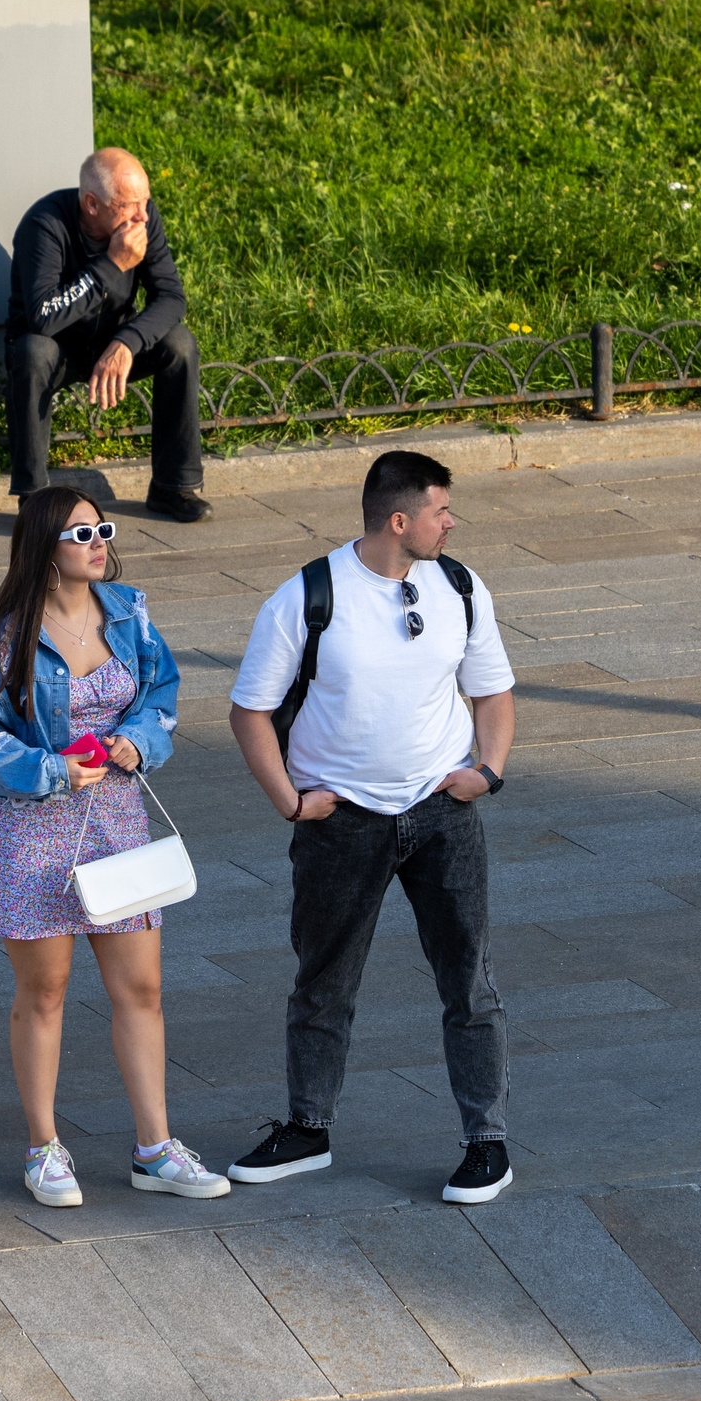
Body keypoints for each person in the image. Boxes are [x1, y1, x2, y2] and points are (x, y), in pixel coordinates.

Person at [225, 451, 521, 1204]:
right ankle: (307, 1128)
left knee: (470, 980)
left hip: (441, 813)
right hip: (342, 822)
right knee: (323, 982)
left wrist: (485, 770)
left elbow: (493, 691)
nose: (450, 521)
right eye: (440, 510)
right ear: (400, 521)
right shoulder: (308, 597)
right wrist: (291, 802)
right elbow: (248, 711)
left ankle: (487, 1141)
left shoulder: (459, 585)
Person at [0, 484, 229, 1208]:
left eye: (102, 528)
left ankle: (155, 1148)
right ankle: (44, 1148)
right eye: (81, 533)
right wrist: (47, 769)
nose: (99, 541)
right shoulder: (6, 637)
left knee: (142, 989)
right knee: (44, 992)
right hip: (32, 832)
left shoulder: (130, 613)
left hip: (116, 825)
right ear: (45, 546)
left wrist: (139, 737)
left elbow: (160, 690)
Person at [4, 147, 211, 525]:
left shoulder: (143, 220)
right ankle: (34, 501)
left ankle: (172, 487)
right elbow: (42, 317)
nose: (142, 216)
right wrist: (112, 265)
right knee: (32, 352)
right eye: (130, 205)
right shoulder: (45, 225)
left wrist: (127, 342)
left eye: (146, 202)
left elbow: (171, 297)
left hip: (113, 341)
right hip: (56, 348)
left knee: (179, 345)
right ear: (92, 205)